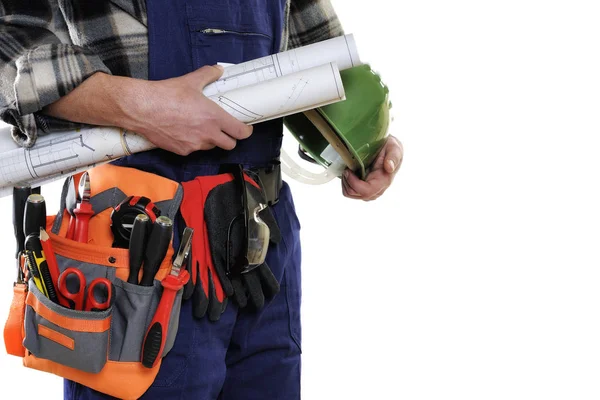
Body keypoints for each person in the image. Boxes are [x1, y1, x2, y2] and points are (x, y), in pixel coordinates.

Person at [0, 0, 403, 398]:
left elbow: (321, 59)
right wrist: (141, 107)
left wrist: (367, 146)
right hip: (132, 241)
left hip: (261, 236)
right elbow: (7, 39)